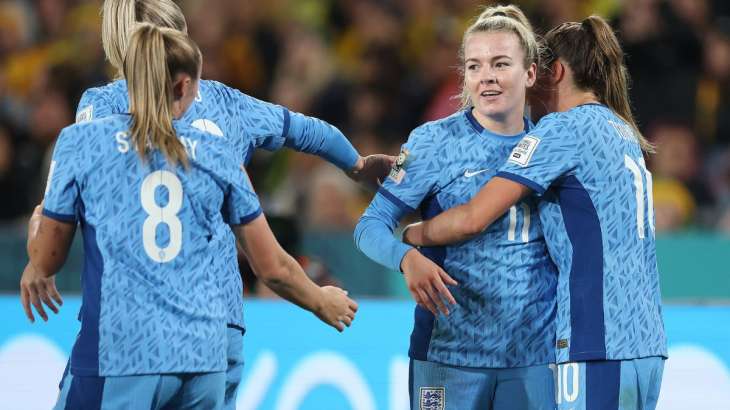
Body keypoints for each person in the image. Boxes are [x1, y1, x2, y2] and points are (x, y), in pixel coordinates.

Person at [23, 0, 389, 407]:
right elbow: (308, 132)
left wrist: (39, 251)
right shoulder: (225, 121)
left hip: (127, 328)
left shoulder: (99, 111)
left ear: (118, 41)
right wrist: (356, 164)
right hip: (213, 331)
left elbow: (69, 198)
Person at [403, 15, 667, 410]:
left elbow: (475, 216)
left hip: (595, 341)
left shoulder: (560, 131)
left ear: (555, 72)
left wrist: (409, 237)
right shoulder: (624, 132)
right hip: (647, 344)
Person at [354, 5, 556, 409]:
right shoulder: (434, 142)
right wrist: (406, 258)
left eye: (501, 64)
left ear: (530, 73)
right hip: (448, 356)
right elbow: (370, 226)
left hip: (532, 359)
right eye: (475, 66)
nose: (488, 78)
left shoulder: (555, 146)